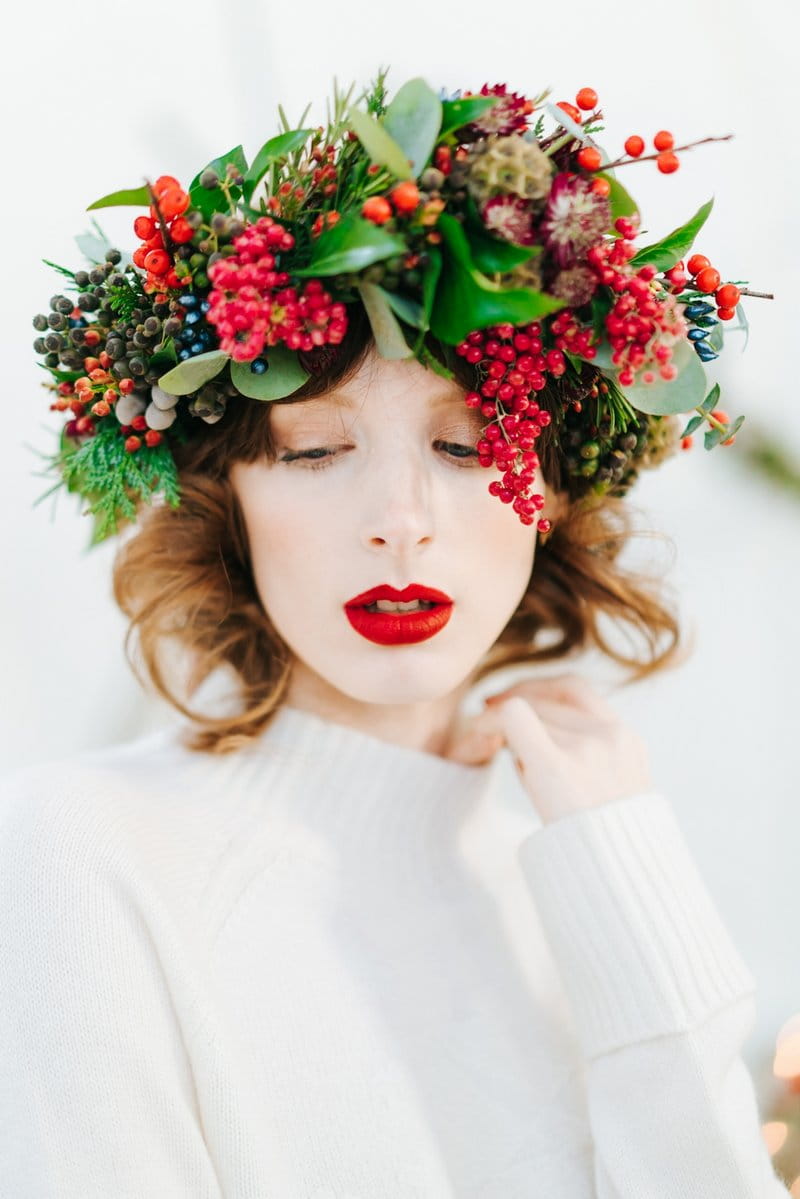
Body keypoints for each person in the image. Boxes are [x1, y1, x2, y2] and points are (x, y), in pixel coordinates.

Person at [2, 71, 788, 1197]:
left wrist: (620, 862)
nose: (400, 526)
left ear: (551, 494)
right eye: (314, 450)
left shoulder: (575, 878)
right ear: (229, 497)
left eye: (467, 446)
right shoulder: (86, 852)